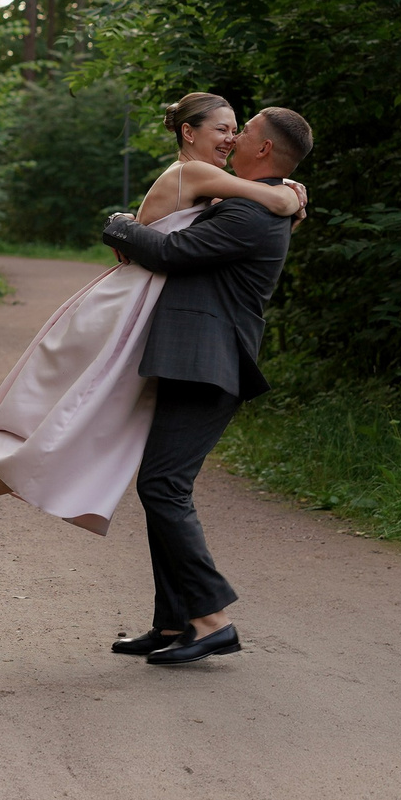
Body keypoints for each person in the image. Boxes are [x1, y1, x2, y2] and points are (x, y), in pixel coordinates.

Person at [0, 94, 305, 570]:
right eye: (222, 129)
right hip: (125, 314)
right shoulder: (191, 173)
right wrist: (288, 194)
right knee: (74, 431)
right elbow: (267, 195)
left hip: (139, 313)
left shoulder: (215, 186)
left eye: (237, 129)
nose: (231, 138)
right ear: (189, 133)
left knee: (77, 438)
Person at [97, 105, 314, 666]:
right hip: (195, 361)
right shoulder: (252, 201)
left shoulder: (251, 216)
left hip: (210, 364)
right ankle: (173, 625)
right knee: (162, 485)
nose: (236, 136)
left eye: (246, 131)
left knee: (164, 486)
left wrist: (117, 224)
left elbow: (168, 252)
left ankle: (213, 620)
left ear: (264, 149)